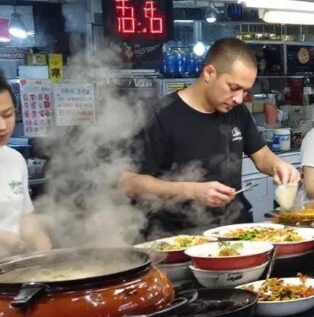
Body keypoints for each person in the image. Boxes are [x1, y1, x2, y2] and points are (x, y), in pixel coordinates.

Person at [121, 38, 300, 235]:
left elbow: (262, 156)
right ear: (209, 73)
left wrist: (279, 166)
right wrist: (191, 190)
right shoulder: (160, 116)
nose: (239, 98)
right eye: (233, 88)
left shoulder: (237, 112)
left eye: (245, 91)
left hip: (234, 229)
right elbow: (128, 183)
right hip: (178, 237)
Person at [0, 77, 51, 255]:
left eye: (7, 115)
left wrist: (37, 236)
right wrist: (4, 238)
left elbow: (24, 215)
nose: (2, 126)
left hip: (13, 269)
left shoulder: (15, 160)